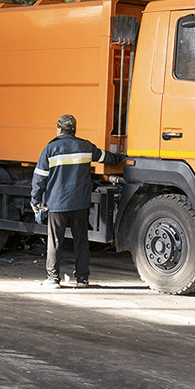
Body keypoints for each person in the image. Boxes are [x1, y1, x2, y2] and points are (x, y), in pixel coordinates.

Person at [31, 114, 125, 288]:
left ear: (59, 129)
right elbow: (106, 157)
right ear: (74, 129)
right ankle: (82, 279)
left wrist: (35, 200)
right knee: (81, 241)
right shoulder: (85, 146)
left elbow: (39, 178)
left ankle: (53, 279)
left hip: (57, 204)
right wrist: (122, 156)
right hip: (79, 204)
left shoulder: (50, 149)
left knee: (55, 242)